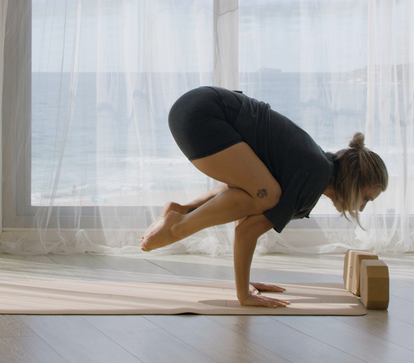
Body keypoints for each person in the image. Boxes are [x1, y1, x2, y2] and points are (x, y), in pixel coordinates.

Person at [141, 86, 388, 308]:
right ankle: (178, 228)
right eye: (366, 199)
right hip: (204, 115)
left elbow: (244, 210)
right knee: (267, 196)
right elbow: (246, 231)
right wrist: (244, 296)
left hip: (196, 107)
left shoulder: (315, 167)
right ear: (354, 185)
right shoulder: (313, 178)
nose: (362, 208)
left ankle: (183, 211)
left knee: (261, 194)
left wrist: (244, 283)